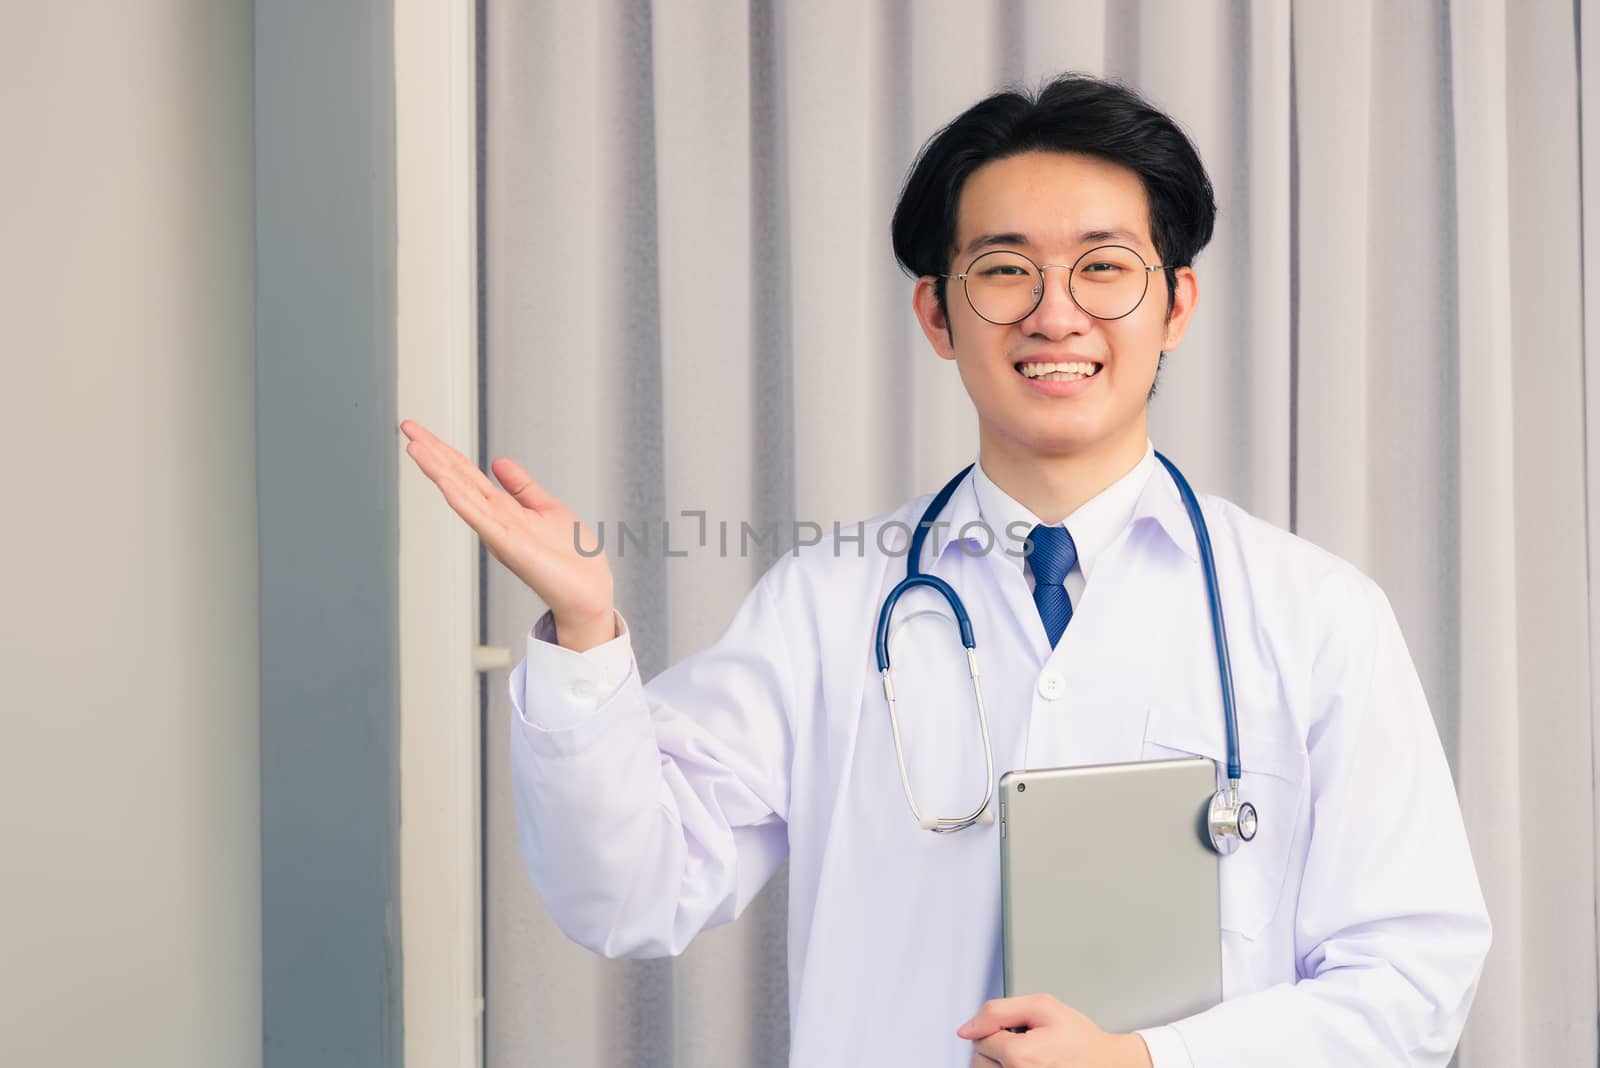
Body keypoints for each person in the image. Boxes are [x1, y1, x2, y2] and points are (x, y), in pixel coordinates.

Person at [401, 73, 1490, 1067]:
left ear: (1176, 307)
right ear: (936, 313)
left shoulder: (1316, 614)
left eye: (1104, 268)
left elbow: (1410, 981)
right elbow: (625, 893)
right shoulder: (827, 605)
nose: (1055, 312)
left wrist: (1149, 1061)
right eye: (1004, 270)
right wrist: (586, 634)